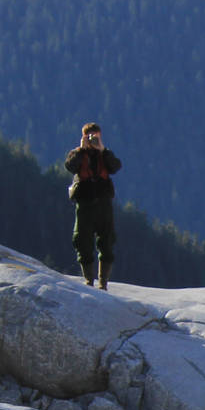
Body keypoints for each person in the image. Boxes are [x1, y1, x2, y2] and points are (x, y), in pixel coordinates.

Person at [64, 122, 121, 288]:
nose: (92, 140)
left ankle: (103, 281)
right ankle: (89, 280)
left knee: (107, 240)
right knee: (82, 240)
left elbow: (116, 166)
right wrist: (82, 150)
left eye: (95, 137)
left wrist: (102, 150)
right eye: (89, 137)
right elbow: (70, 166)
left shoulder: (105, 155)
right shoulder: (77, 154)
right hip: (84, 203)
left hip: (103, 203)